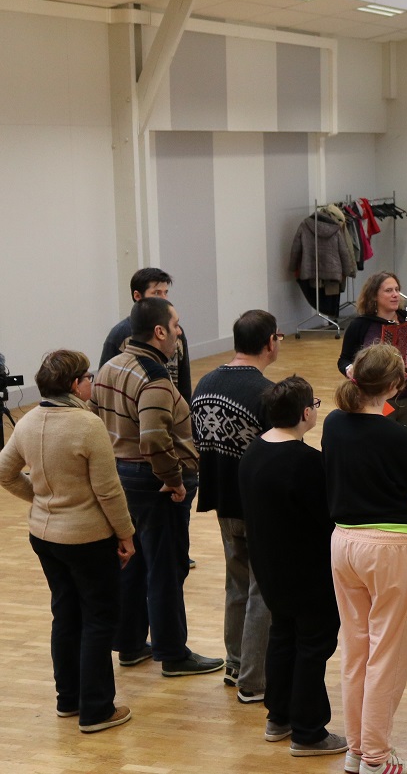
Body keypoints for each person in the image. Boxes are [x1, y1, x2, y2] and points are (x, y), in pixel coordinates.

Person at [0, 350, 135, 734]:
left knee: (66, 613)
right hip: (87, 538)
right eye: (87, 377)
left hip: (43, 536)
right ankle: (96, 710)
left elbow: (4, 473)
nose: (91, 382)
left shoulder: (28, 422)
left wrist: (42, 499)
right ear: (75, 385)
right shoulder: (87, 424)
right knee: (98, 618)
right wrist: (125, 535)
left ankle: (68, 700)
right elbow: (109, 492)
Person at [323, 343, 407, 774]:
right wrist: (402, 488)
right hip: (389, 547)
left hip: (343, 544)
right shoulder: (395, 433)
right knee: (386, 655)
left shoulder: (334, 423)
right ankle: (376, 756)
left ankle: (357, 750)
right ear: (395, 385)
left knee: (356, 651)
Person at [90, 297, 223, 678]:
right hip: (154, 484)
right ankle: (172, 653)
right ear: (160, 331)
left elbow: (101, 426)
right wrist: (174, 480)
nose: (180, 332)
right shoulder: (154, 379)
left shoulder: (109, 367)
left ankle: (130, 644)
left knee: (137, 562)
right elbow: (152, 439)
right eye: (176, 325)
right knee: (168, 567)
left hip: (121, 476)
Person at [239, 376, 347, 757]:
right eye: (314, 404)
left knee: (282, 638)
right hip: (307, 572)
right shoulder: (306, 462)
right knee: (313, 646)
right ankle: (308, 731)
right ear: (305, 413)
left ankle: (279, 717)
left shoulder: (253, 452)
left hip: (269, 569)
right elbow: (327, 518)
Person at [192, 310, 280, 703]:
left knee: (237, 583)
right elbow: (277, 453)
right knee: (264, 591)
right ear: (270, 343)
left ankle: (233, 663)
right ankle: (253, 679)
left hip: (221, 499)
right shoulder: (266, 393)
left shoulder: (205, 384)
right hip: (259, 506)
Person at [337, 271, 407, 454]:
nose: (395, 294)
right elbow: (343, 359)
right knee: (380, 450)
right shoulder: (360, 325)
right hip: (377, 399)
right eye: (388, 290)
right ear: (374, 296)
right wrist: (349, 368)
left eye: (397, 290)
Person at [99, 267, 192, 400]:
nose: (164, 299)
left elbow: (184, 382)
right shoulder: (119, 334)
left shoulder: (176, 331)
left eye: (166, 292)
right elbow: (105, 382)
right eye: (156, 293)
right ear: (137, 296)